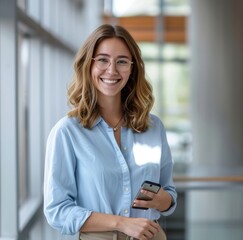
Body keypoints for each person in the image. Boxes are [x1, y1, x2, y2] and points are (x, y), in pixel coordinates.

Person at [43, 24, 177, 240]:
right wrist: (122, 223)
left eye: (122, 61)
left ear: (132, 68)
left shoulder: (153, 128)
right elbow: (57, 210)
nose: (112, 70)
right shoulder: (67, 132)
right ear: (89, 65)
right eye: (103, 60)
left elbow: (169, 193)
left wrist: (164, 200)